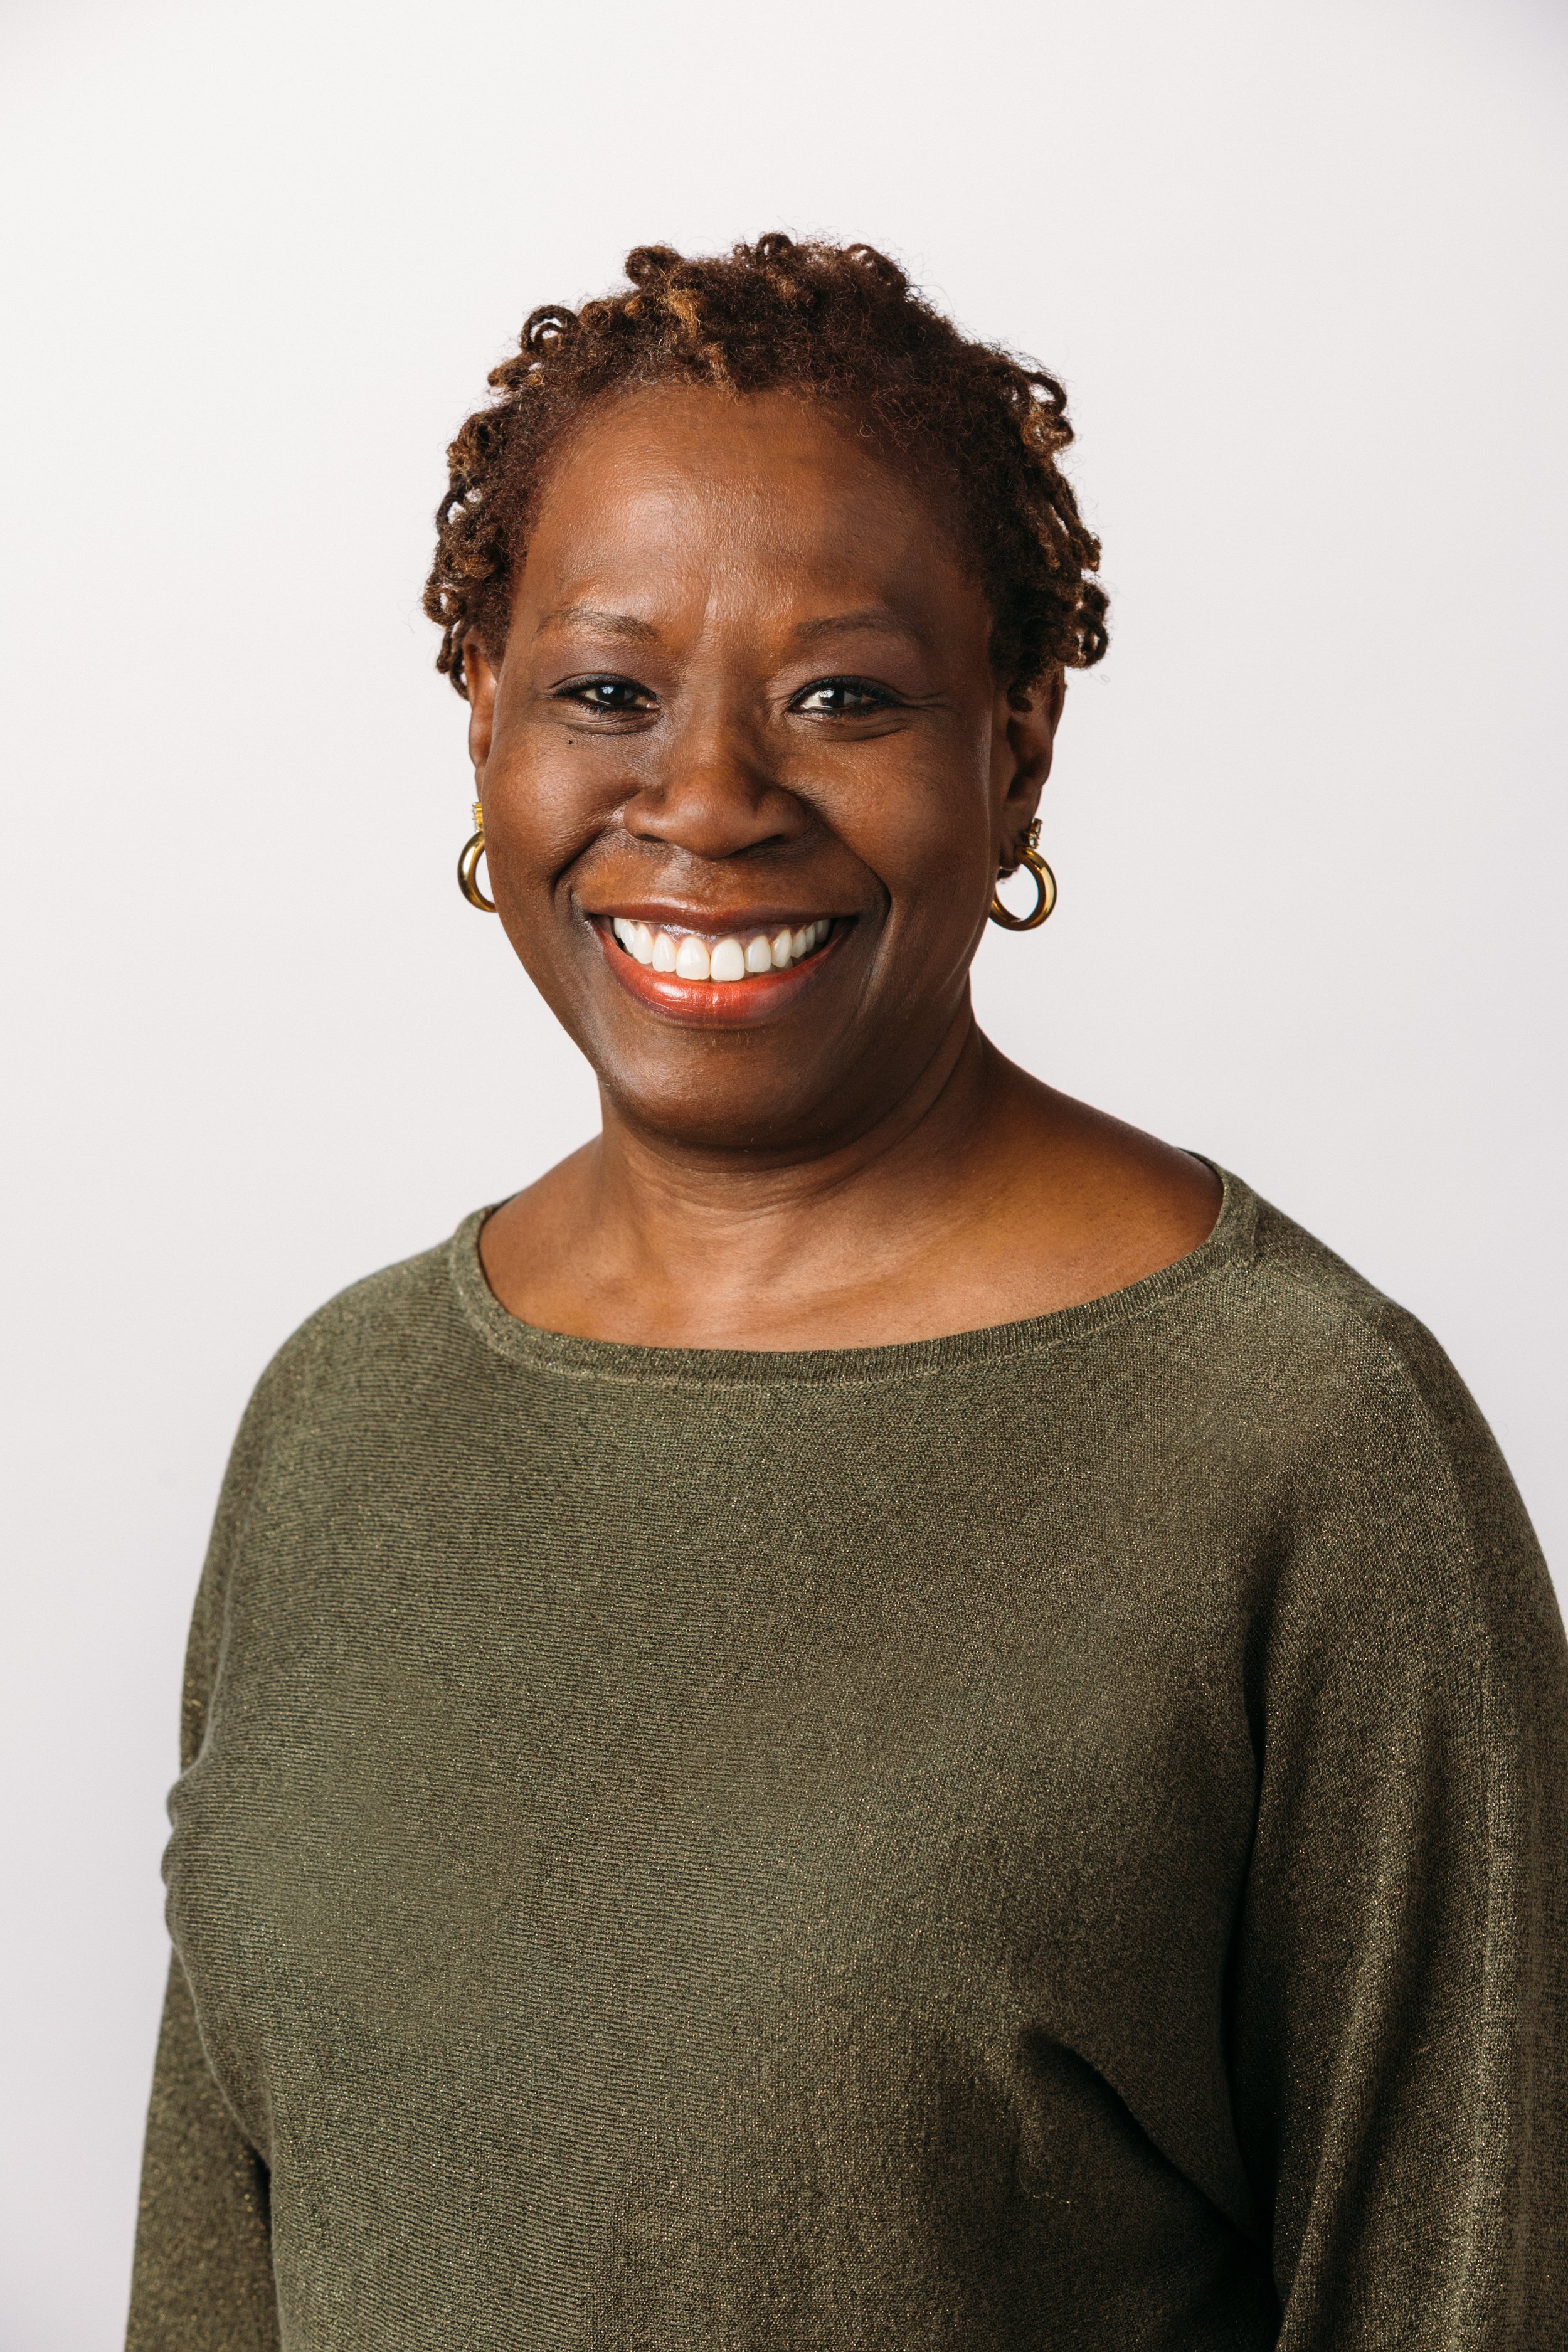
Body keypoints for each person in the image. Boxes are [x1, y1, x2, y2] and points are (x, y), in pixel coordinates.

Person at [127, 236, 1566, 2350]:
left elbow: (1468, 2282)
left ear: (1016, 745)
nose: (702, 801)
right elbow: (216, 2250)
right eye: (605, 691)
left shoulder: (1298, 1445)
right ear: (484, 734)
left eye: (842, 696)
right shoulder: (344, 1413)